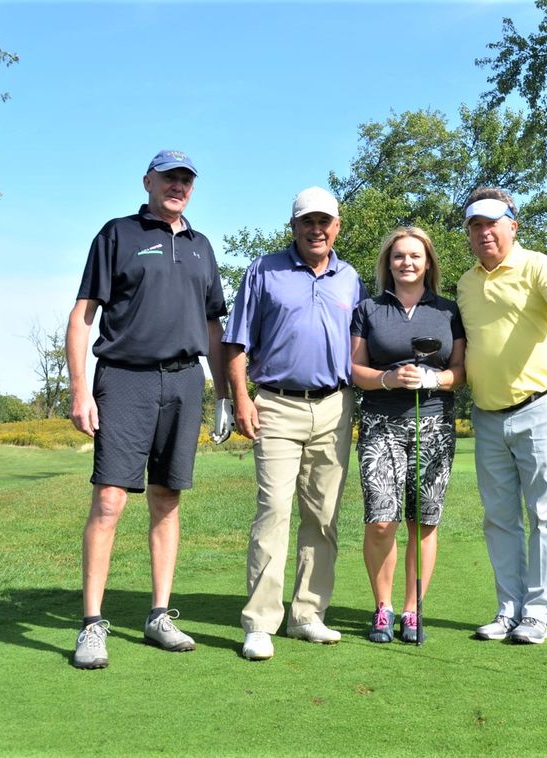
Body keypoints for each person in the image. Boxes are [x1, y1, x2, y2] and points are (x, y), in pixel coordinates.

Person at [66, 150, 232, 669]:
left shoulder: (202, 247)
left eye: (185, 180)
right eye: (169, 178)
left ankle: (159, 615)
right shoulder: (117, 234)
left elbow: (213, 330)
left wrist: (223, 393)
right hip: (124, 378)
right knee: (110, 499)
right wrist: (78, 389)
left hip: (185, 380)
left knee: (167, 497)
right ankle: (92, 625)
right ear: (149, 181)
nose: (177, 186)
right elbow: (81, 317)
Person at [223, 186, 368, 661]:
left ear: (337, 226)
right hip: (277, 404)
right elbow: (236, 344)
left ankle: (308, 614)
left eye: (325, 221)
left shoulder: (351, 278)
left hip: (334, 406)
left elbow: (361, 346)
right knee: (274, 511)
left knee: (323, 515)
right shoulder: (264, 270)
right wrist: (239, 399)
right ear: (294, 227)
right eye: (308, 221)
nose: (316, 229)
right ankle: (261, 622)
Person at [455, 187, 547, 645]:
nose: (483, 234)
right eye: (475, 226)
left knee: (545, 514)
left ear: (512, 226)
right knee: (499, 518)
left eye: (492, 224)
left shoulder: (539, 264)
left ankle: (537, 613)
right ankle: (508, 609)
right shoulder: (464, 283)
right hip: (487, 414)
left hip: (539, 407)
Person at [350, 227, 466, 644]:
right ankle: (383, 608)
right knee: (382, 521)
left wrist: (435, 378)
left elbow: (460, 372)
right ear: (388, 262)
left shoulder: (448, 310)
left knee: (424, 522)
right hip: (381, 423)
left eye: (415, 256)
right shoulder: (369, 308)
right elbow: (355, 370)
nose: (407, 263)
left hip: (434, 423)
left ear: (428, 262)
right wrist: (387, 378)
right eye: (399, 256)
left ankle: (413, 610)